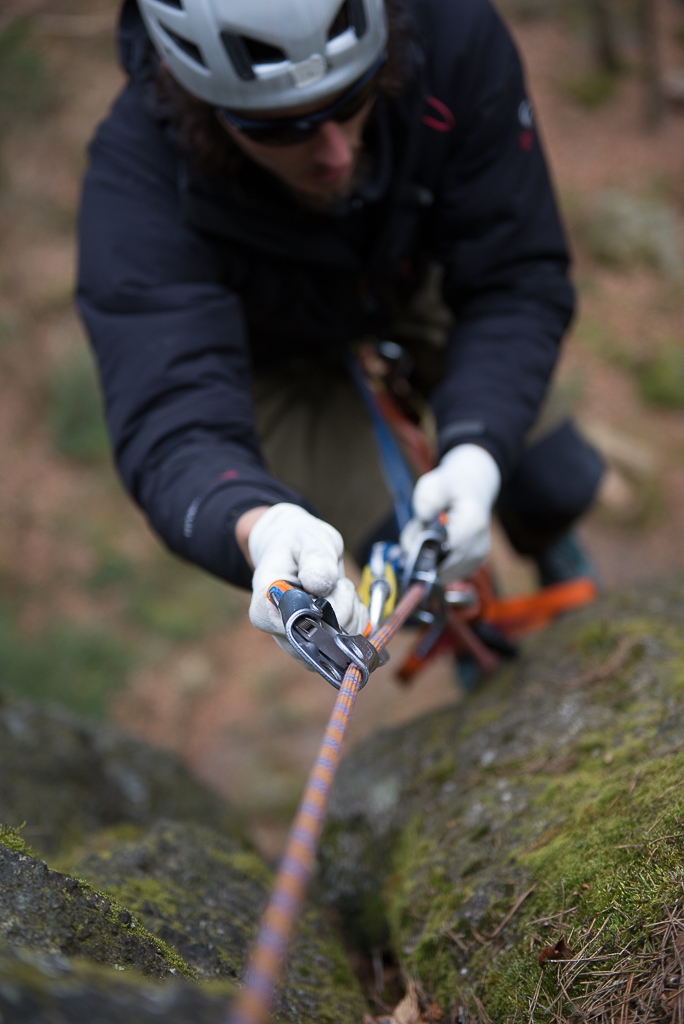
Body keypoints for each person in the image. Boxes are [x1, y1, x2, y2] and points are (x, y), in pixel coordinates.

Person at [77, 0, 604, 664]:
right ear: (198, 100)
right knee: (401, 555)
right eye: (281, 127)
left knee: (548, 473)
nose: (332, 150)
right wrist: (258, 525)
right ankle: (474, 649)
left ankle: (564, 558)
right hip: (270, 352)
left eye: (352, 97)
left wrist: (476, 454)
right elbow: (173, 423)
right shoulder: (137, 185)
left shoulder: (452, 38)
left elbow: (514, 276)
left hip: (414, 274)